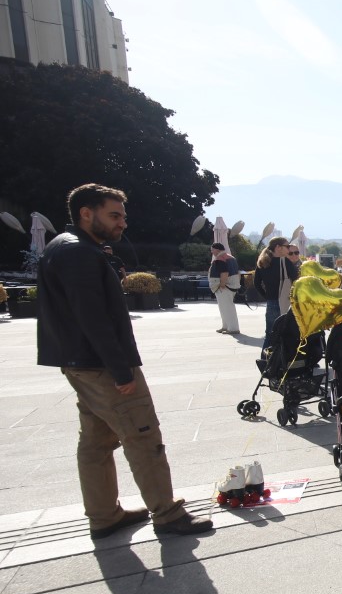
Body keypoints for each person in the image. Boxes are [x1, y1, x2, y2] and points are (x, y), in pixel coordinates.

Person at [36, 184, 214, 539]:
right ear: (86, 213)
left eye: (123, 216)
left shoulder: (63, 247)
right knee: (142, 434)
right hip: (102, 364)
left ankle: (103, 515)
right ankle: (167, 513)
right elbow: (93, 317)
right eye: (114, 215)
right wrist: (120, 370)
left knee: (96, 442)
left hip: (79, 361)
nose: (122, 224)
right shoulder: (79, 254)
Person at [254, 237, 298, 339]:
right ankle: (281, 354)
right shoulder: (285, 262)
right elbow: (297, 281)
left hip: (271, 301)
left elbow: (256, 283)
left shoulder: (262, 262)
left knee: (270, 333)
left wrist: (266, 296)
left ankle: (266, 355)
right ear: (278, 247)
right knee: (286, 334)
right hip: (286, 301)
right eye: (287, 246)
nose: (289, 249)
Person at [208, 242, 241, 335]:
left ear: (217, 250)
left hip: (225, 287)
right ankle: (225, 326)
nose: (212, 252)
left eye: (212, 249)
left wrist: (222, 285)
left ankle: (233, 328)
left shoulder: (220, 259)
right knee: (224, 307)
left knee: (227, 308)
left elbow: (224, 273)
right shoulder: (231, 257)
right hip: (232, 285)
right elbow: (238, 272)